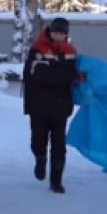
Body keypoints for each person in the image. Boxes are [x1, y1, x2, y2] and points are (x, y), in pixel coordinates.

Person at [23, 17, 85, 194]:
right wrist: (69, 75)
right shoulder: (37, 50)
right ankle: (40, 159)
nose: (58, 36)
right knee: (38, 141)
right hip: (39, 105)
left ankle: (56, 181)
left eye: (62, 33)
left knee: (59, 146)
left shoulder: (71, 52)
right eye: (55, 32)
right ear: (50, 32)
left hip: (60, 106)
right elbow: (38, 76)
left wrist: (77, 76)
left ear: (66, 35)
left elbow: (73, 73)